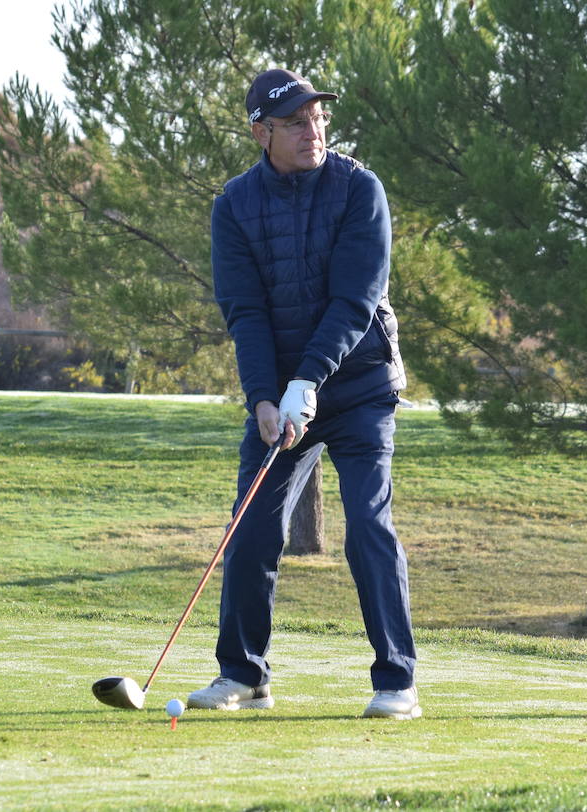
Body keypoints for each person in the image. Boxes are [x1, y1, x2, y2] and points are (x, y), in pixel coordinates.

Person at [188, 68, 419, 720]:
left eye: (317, 117)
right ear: (261, 131)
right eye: (294, 121)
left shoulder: (358, 190)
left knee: (367, 526)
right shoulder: (234, 205)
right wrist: (264, 397)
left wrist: (307, 380)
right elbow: (246, 312)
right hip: (281, 398)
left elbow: (355, 300)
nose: (312, 130)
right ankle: (244, 677)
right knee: (253, 528)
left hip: (361, 387)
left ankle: (397, 682)